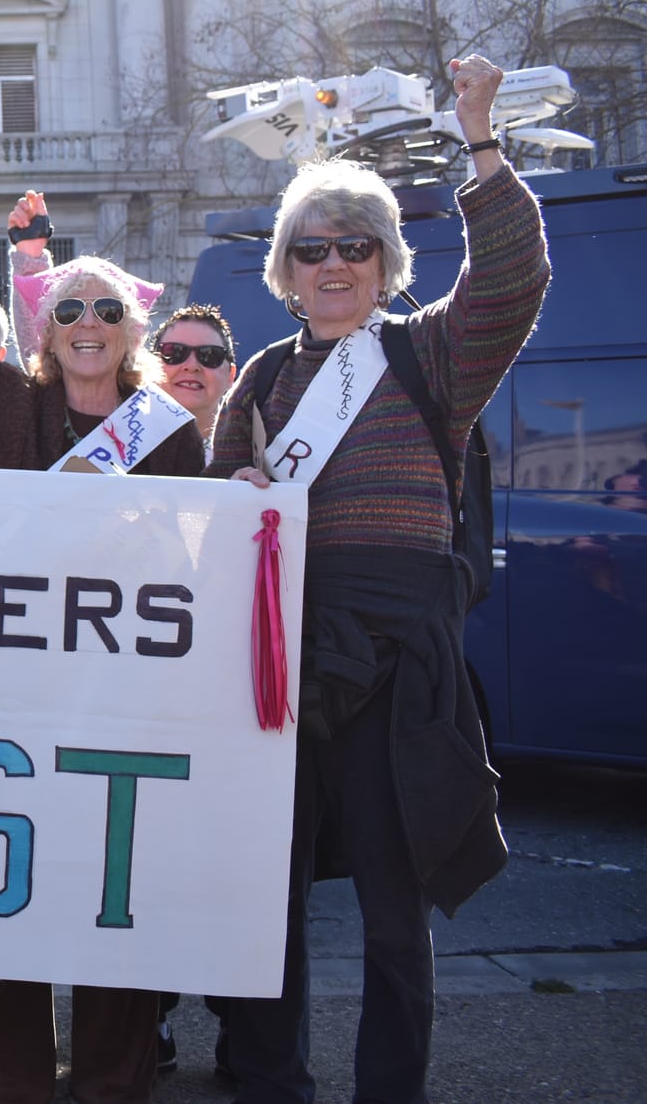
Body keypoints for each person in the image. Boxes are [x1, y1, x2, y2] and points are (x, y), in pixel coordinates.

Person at [210, 55, 543, 1104]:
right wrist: (239, 491)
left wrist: (478, 139)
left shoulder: (426, 356)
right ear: (285, 270)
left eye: (356, 244)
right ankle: (269, 1082)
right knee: (263, 902)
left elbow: (511, 278)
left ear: (386, 260)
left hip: (402, 668)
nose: (333, 263)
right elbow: (215, 534)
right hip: (286, 669)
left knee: (396, 916)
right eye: (311, 249)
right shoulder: (258, 381)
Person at [0, 127, 202, 1104]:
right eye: (68, 306)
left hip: (121, 697)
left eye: (105, 308)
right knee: (17, 890)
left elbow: (200, 559)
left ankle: (112, 1077)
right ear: (44, 325)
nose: (86, 320)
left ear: (128, 330)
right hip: (15, 692)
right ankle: (12, 1075)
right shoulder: (0, 403)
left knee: (112, 892)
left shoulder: (165, 432)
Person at [151, 304, 239, 459]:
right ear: (150, 365)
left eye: (209, 355)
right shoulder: (116, 441)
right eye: (174, 352)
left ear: (230, 375)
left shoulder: (255, 455)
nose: (191, 367)